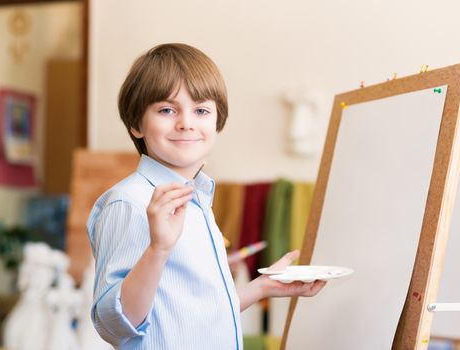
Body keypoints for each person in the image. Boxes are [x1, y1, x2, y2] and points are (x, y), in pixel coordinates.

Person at [87, 43, 326, 349]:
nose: (186, 122)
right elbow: (115, 325)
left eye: (200, 110)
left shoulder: (196, 200)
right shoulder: (129, 203)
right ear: (136, 124)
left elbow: (194, 316)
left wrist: (263, 287)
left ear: (217, 121)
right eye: (166, 110)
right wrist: (159, 249)